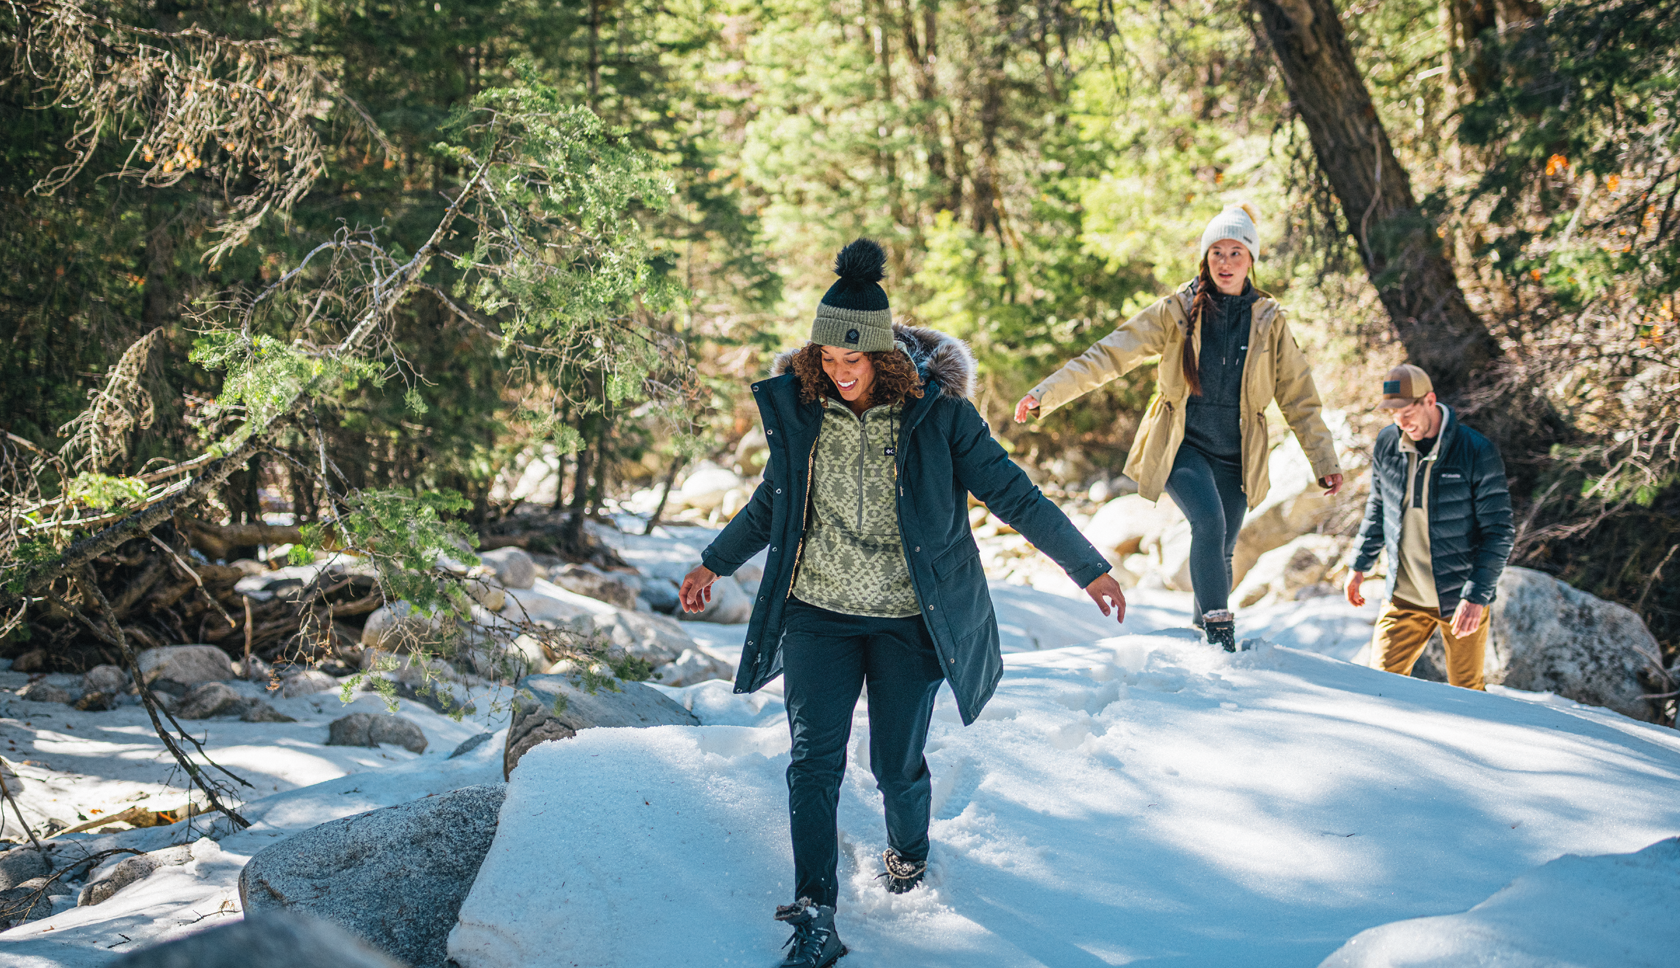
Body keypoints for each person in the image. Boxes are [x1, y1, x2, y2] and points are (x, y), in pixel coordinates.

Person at [679, 239, 1127, 968]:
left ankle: (909, 852)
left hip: (906, 620)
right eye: (828, 360)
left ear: (884, 356)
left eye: (853, 362)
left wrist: (1090, 569)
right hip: (816, 611)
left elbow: (1014, 493)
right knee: (812, 761)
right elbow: (774, 503)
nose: (839, 373)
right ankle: (816, 913)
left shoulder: (939, 417)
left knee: (895, 765)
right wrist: (713, 563)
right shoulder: (804, 410)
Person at [1013, 203, 1343, 651]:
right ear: (1205, 259)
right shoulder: (1177, 311)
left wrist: (1323, 459)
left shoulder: (1269, 321)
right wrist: (1045, 394)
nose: (1225, 263)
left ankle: (1199, 632)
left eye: (1236, 253)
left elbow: (1299, 396)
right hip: (1181, 446)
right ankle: (1218, 630)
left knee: (1224, 543)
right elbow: (1111, 354)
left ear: (1251, 260)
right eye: (1217, 253)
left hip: (1239, 452)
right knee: (1207, 522)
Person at [1345, 364, 1513, 690]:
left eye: (1408, 413)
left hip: (1459, 598)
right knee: (1378, 689)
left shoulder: (1476, 451)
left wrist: (1477, 596)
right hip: (1403, 597)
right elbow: (1378, 507)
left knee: (1468, 695)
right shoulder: (1386, 444)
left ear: (1430, 401)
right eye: (1394, 416)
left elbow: (1500, 531)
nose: (1402, 424)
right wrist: (1359, 564)